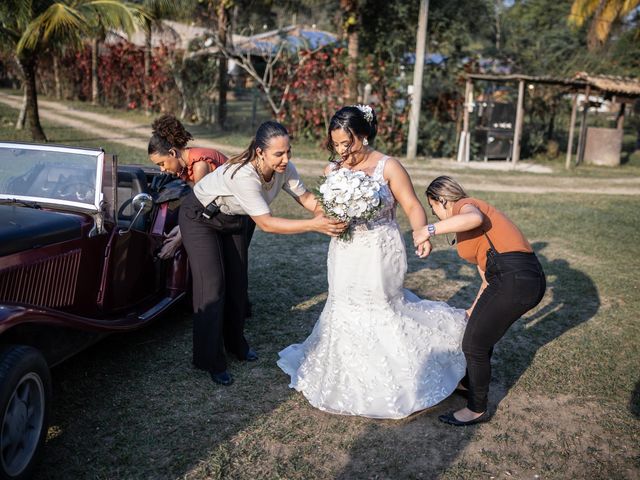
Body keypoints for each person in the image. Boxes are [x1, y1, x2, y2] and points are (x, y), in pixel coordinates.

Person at [277, 106, 468, 419]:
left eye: (346, 143)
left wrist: (422, 234)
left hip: (381, 248)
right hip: (344, 250)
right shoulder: (332, 171)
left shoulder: (388, 166)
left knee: (381, 308)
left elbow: (411, 205)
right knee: (343, 306)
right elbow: (325, 211)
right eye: (335, 144)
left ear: (363, 135)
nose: (341, 150)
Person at [179, 120, 346, 387]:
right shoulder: (244, 175)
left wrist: (333, 214)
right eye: (278, 154)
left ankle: (236, 345)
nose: (285, 159)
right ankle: (209, 359)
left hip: (234, 218)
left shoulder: (285, 169)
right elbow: (267, 224)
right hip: (201, 218)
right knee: (212, 288)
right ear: (260, 152)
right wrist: (314, 225)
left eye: (288, 151)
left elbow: (306, 199)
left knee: (237, 284)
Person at [413, 175, 546, 426]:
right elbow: (486, 276)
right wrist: (473, 309)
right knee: (479, 333)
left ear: (440, 200)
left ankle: (477, 409)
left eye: (433, 209)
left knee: (474, 345)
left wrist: (427, 230)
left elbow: (474, 218)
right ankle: (468, 383)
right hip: (510, 278)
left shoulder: (466, 205)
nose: (435, 216)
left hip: (516, 278)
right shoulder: (466, 230)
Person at [148, 114, 229, 259]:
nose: (162, 170)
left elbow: (201, 209)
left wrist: (177, 240)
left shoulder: (199, 166)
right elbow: (196, 204)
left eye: (162, 164)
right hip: (219, 210)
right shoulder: (185, 165)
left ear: (172, 153)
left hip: (235, 215)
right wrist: (181, 227)